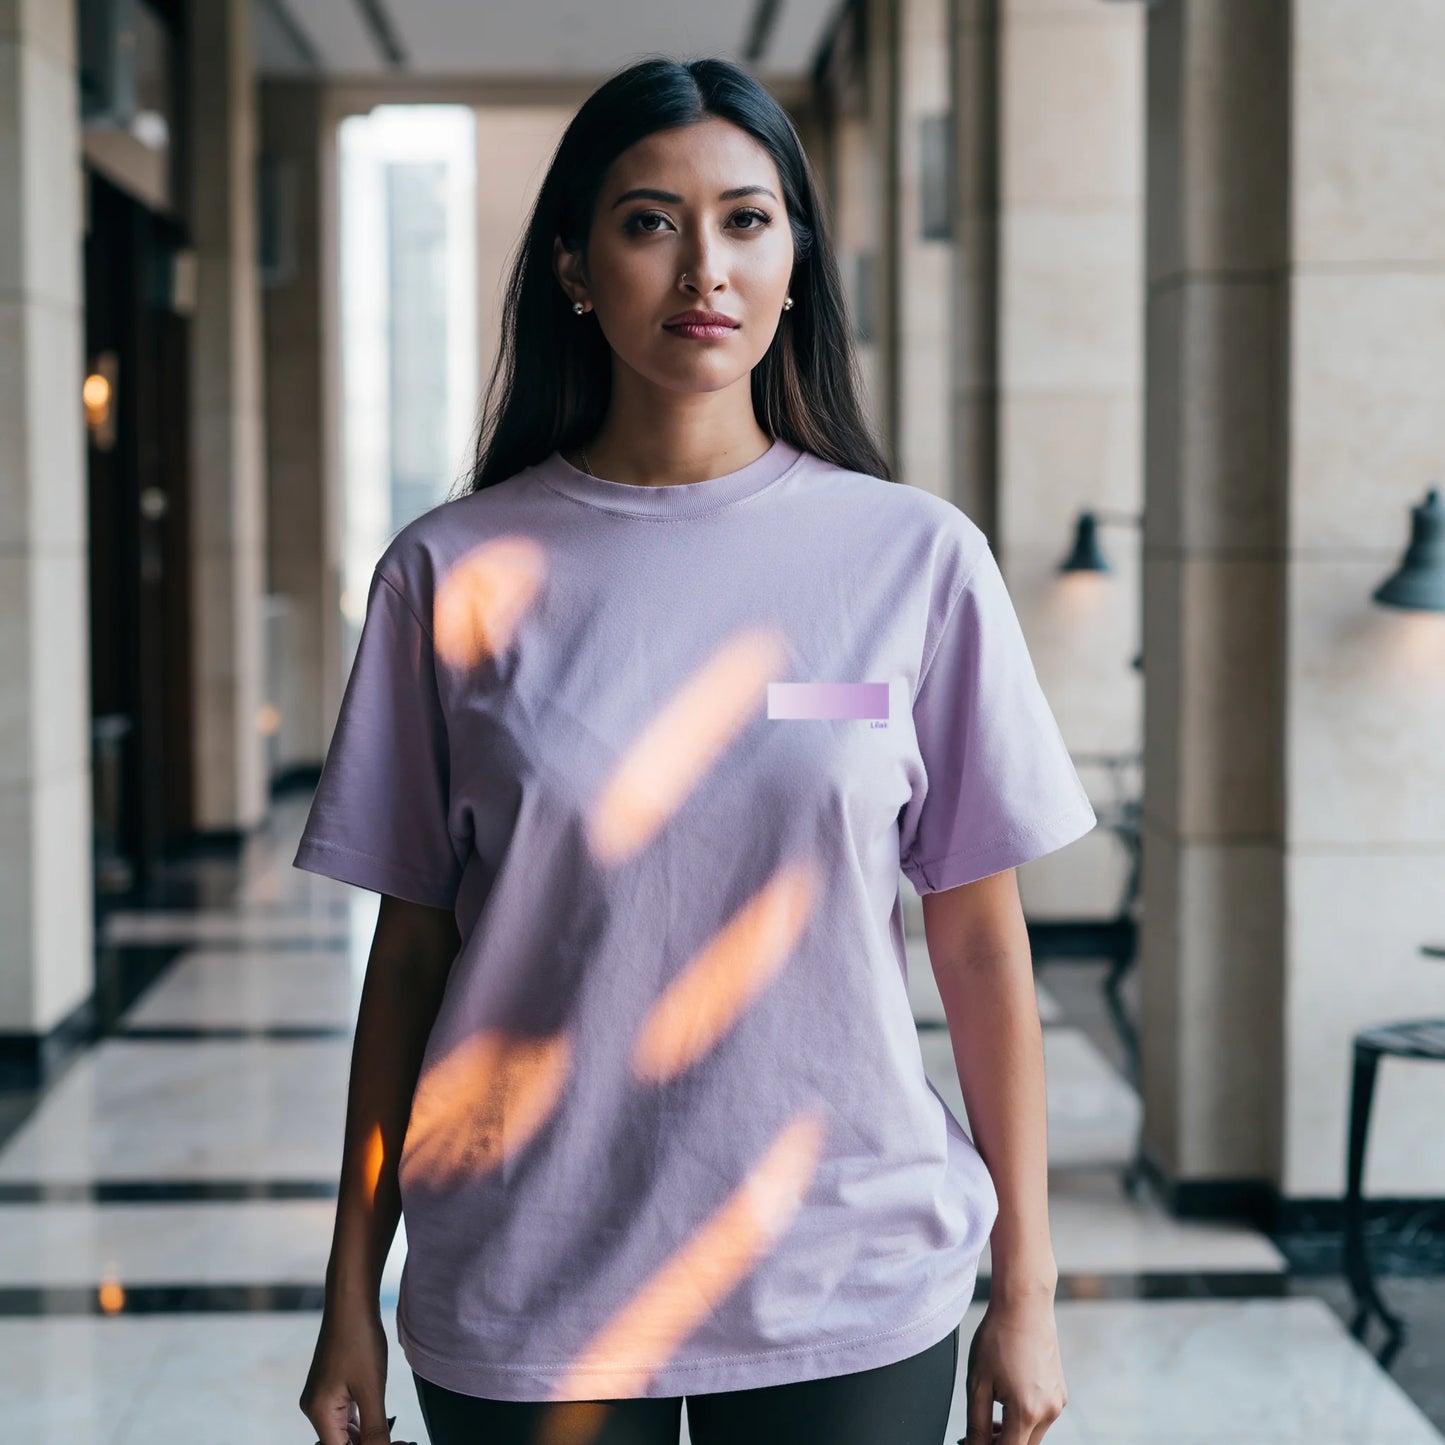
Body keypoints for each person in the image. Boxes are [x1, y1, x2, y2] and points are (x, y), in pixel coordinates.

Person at [296, 54, 1093, 1445]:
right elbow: (410, 953)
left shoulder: (913, 559)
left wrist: (1023, 1286)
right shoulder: (450, 573)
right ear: (572, 267)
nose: (702, 268)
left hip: (846, 1268)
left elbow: (978, 948)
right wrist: (349, 1283)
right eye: (649, 221)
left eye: (745, 219)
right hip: (525, 1283)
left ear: (794, 260)